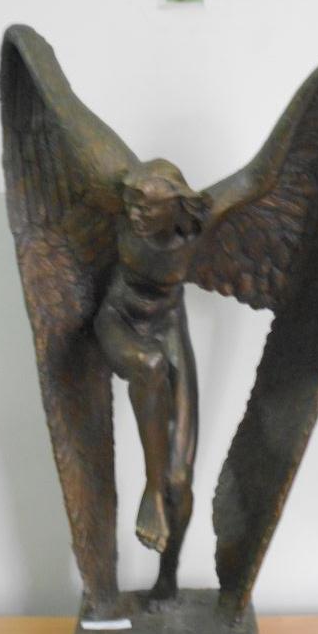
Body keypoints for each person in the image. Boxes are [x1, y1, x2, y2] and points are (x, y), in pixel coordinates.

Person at [94, 159, 210, 600]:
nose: (135, 214)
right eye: (131, 203)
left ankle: (167, 580)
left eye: (145, 206)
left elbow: (259, 178)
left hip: (169, 326)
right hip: (119, 319)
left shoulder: (199, 229)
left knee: (181, 479)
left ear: (175, 206)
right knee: (148, 364)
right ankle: (151, 487)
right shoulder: (123, 220)